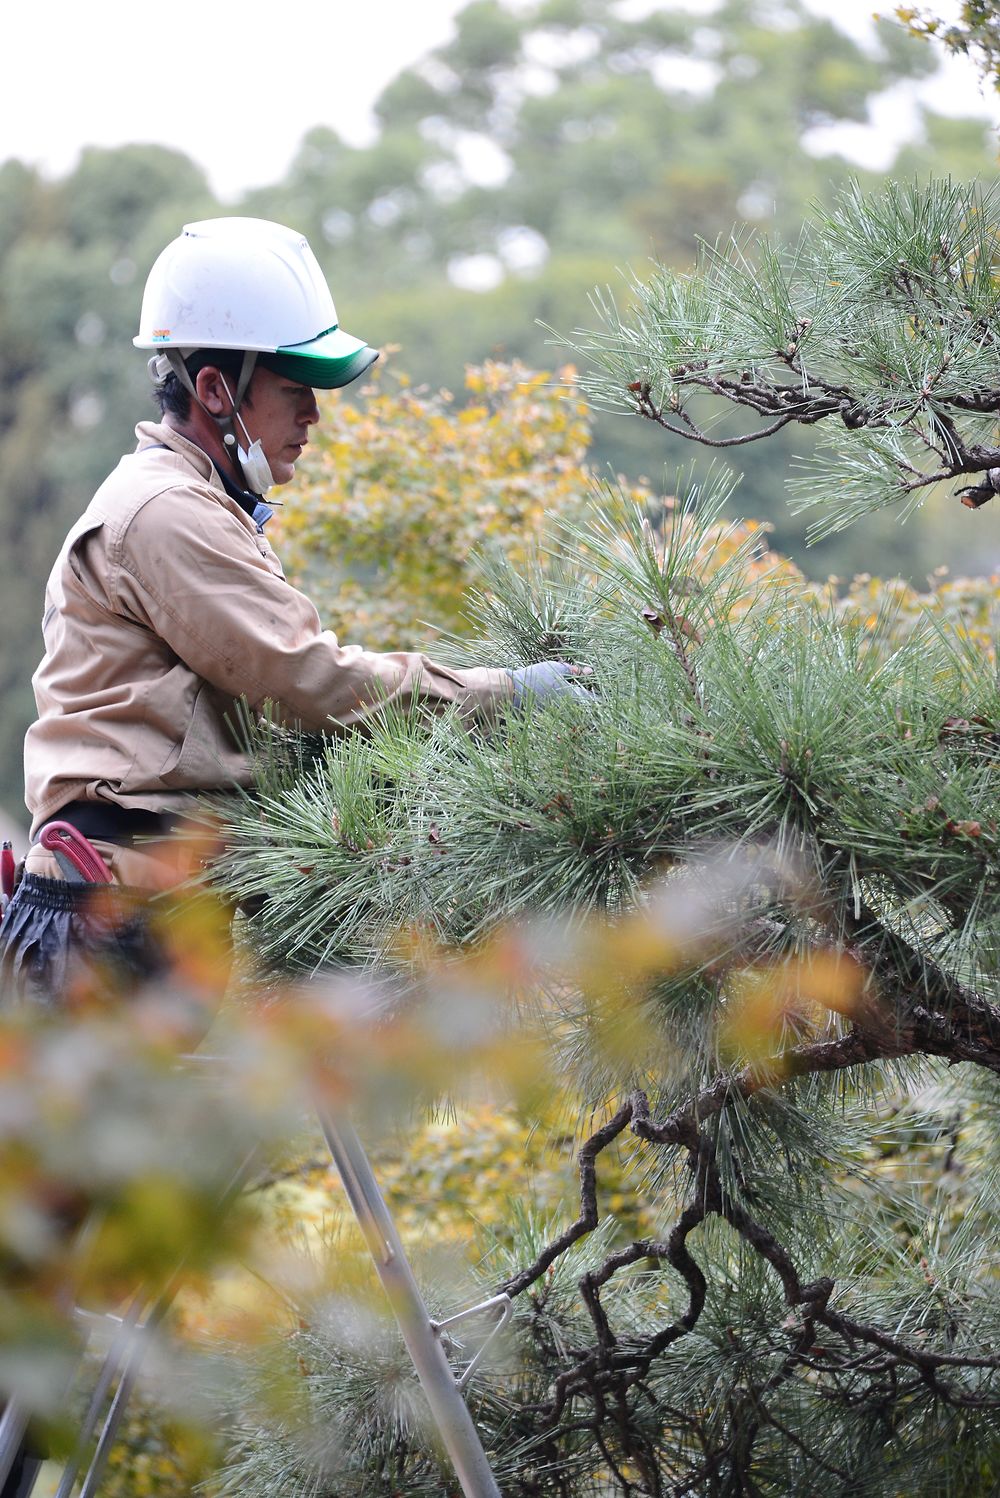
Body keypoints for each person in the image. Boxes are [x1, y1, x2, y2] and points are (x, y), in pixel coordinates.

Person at [0, 216, 580, 1004]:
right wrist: (501, 696)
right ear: (214, 390)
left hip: (146, 913)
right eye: (294, 387)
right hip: (108, 922)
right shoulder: (166, 511)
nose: (312, 415)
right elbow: (306, 680)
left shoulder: (200, 502)